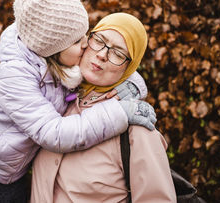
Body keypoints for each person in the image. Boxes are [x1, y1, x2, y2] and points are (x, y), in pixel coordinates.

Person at [0, 0, 157, 202]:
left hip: (10, 174)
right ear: (54, 49)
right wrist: (119, 113)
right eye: (78, 41)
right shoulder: (19, 74)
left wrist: (130, 87)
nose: (86, 45)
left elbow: (116, 68)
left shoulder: (61, 63)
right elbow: (53, 133)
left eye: (86, 35)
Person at [30, 13, 176, 202]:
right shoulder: (57, 99)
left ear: (129, 68)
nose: (102, 54)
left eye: (118, 53)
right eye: (99, 40)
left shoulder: (137, 130)